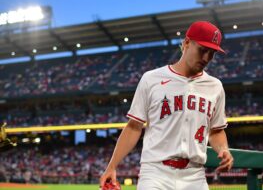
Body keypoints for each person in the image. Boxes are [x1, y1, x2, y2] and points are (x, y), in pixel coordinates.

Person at [100, 21, 234, 190]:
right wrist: (112, 166)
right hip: (156, 173)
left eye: (212, 53)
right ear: (186, 43)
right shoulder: (151, 79)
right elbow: (134, 127)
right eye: (203, 50)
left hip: (195, 175)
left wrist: (224, 149)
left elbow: (216, 131)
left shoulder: (215, 86)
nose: (207, 58)